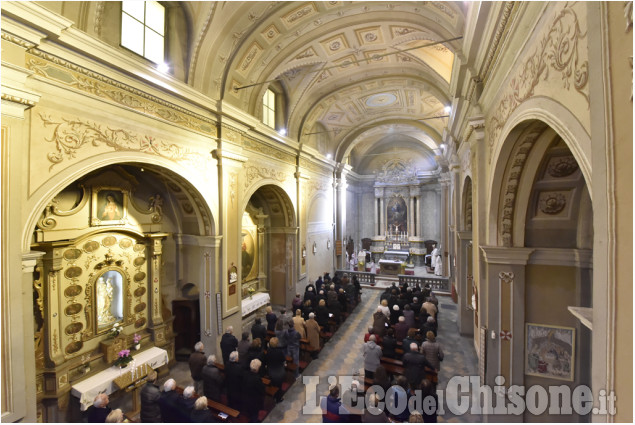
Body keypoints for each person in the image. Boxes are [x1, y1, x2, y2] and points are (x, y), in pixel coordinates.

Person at [266, 337, 287, 403]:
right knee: (279, 386)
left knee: (274, 384)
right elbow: (283, 360)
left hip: (271, 371)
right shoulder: (279, 352)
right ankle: (279, 398)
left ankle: (274, 395)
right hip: (279, 371)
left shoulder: (268, 351)